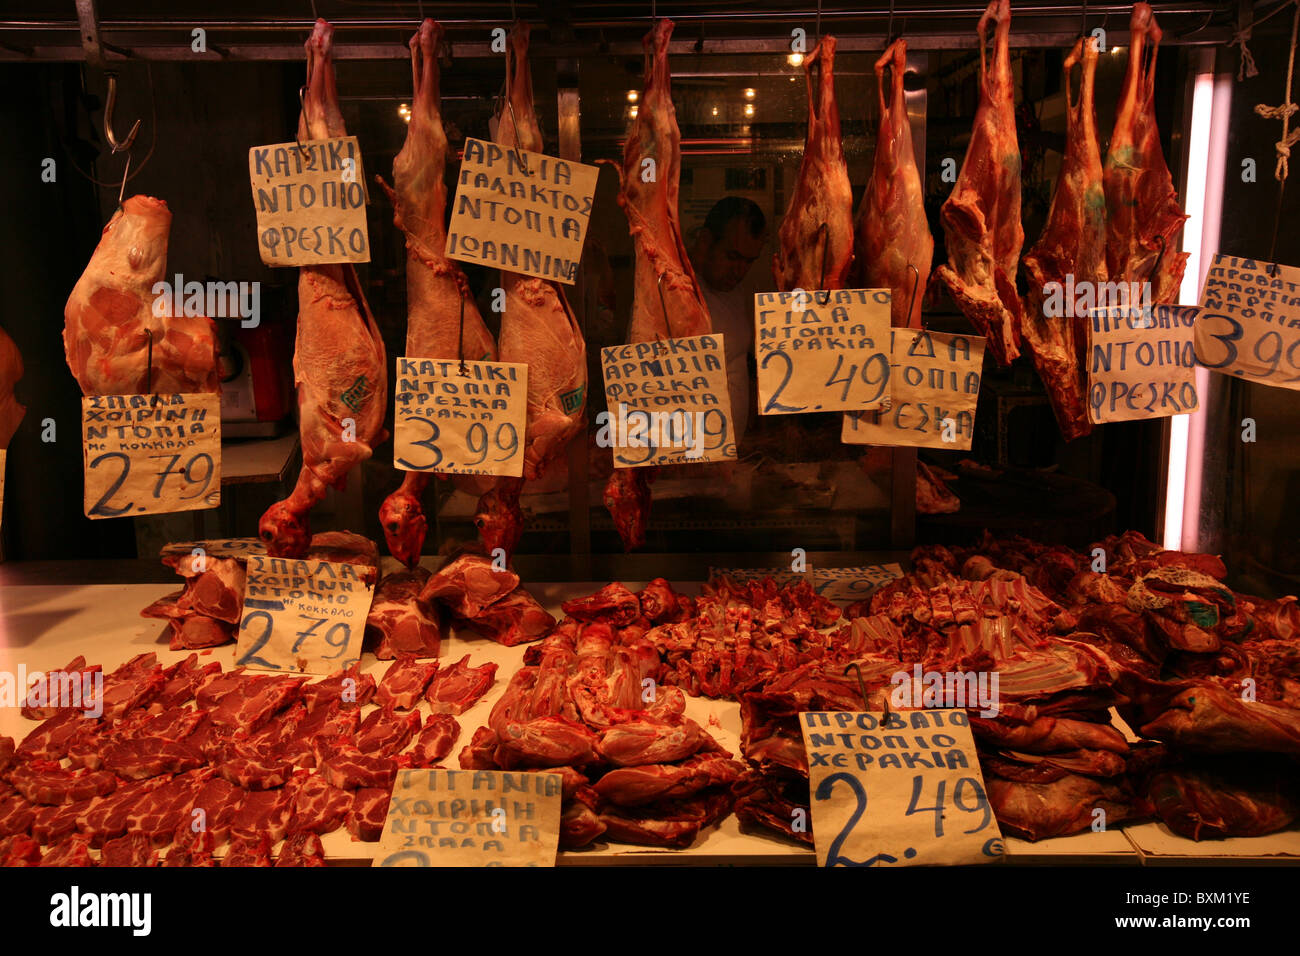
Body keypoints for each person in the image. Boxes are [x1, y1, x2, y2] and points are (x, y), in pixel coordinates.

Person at [688, 196, 767, 444]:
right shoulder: (676, 293)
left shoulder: (731, 289)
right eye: (732, 256)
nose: (740, 270)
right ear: (705, 242)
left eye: (749, 261)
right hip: (687, 457)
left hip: (727, 456)